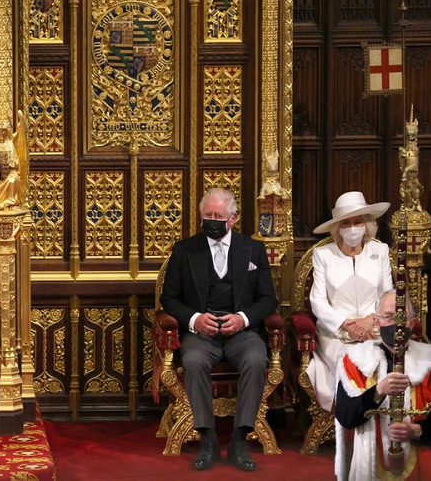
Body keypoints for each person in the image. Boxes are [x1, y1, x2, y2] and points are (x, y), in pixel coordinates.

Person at [160, 188, 277, 472]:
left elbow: (268, 299)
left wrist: (244, 318)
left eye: (218, 216)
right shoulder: (185, 249)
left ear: (233, 218)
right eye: (207, 216)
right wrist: (195, 319)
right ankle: (208, 439)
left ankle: (239, 440)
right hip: (202, 333)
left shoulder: (254, 249)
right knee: (194, 360)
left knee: (255, 358)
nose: (212, 220)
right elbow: (169, 298)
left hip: (242, 331)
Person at [334, 291, 431, 480]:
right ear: (377, 322)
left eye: (402, 317)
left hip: (423, 466)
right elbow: (346, 417)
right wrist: (378, 391)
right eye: (388, 317)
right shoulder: (354, 362)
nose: (396, 324)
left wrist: (418, 430)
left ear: (412, 322)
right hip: (370, 466)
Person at [305, 191, 393, 412]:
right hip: (335, 334)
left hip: (374, 330)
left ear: (366, 225)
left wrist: (371, 321)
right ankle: (353, 419)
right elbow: (317, 301)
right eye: (346, 223)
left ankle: (379, 423)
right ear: (337, 228)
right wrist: (347, 323)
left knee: (381, 362)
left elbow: (388, 295)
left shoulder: (380, 250)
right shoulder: (323, 254)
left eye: (357, 222)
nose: (353, 228)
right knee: (351, 363)